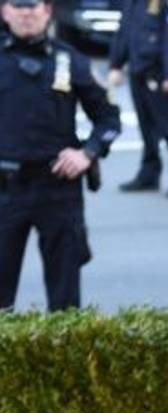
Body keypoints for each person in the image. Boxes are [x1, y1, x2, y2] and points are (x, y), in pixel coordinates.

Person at [0, 0, 120, 311]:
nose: (26, 13)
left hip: (57, 188)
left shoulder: (71, 61)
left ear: (48, 11)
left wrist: (88, 153)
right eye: (18, 5)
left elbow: (109, 120)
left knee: (65, 302)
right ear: (5, 12)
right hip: (5, 189)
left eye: (33, 5)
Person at [107, 0, 168, 198]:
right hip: (138, 70)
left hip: (159, 73)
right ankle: (149, 174)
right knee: (146, 128)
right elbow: (124, 31)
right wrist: (115, 63)